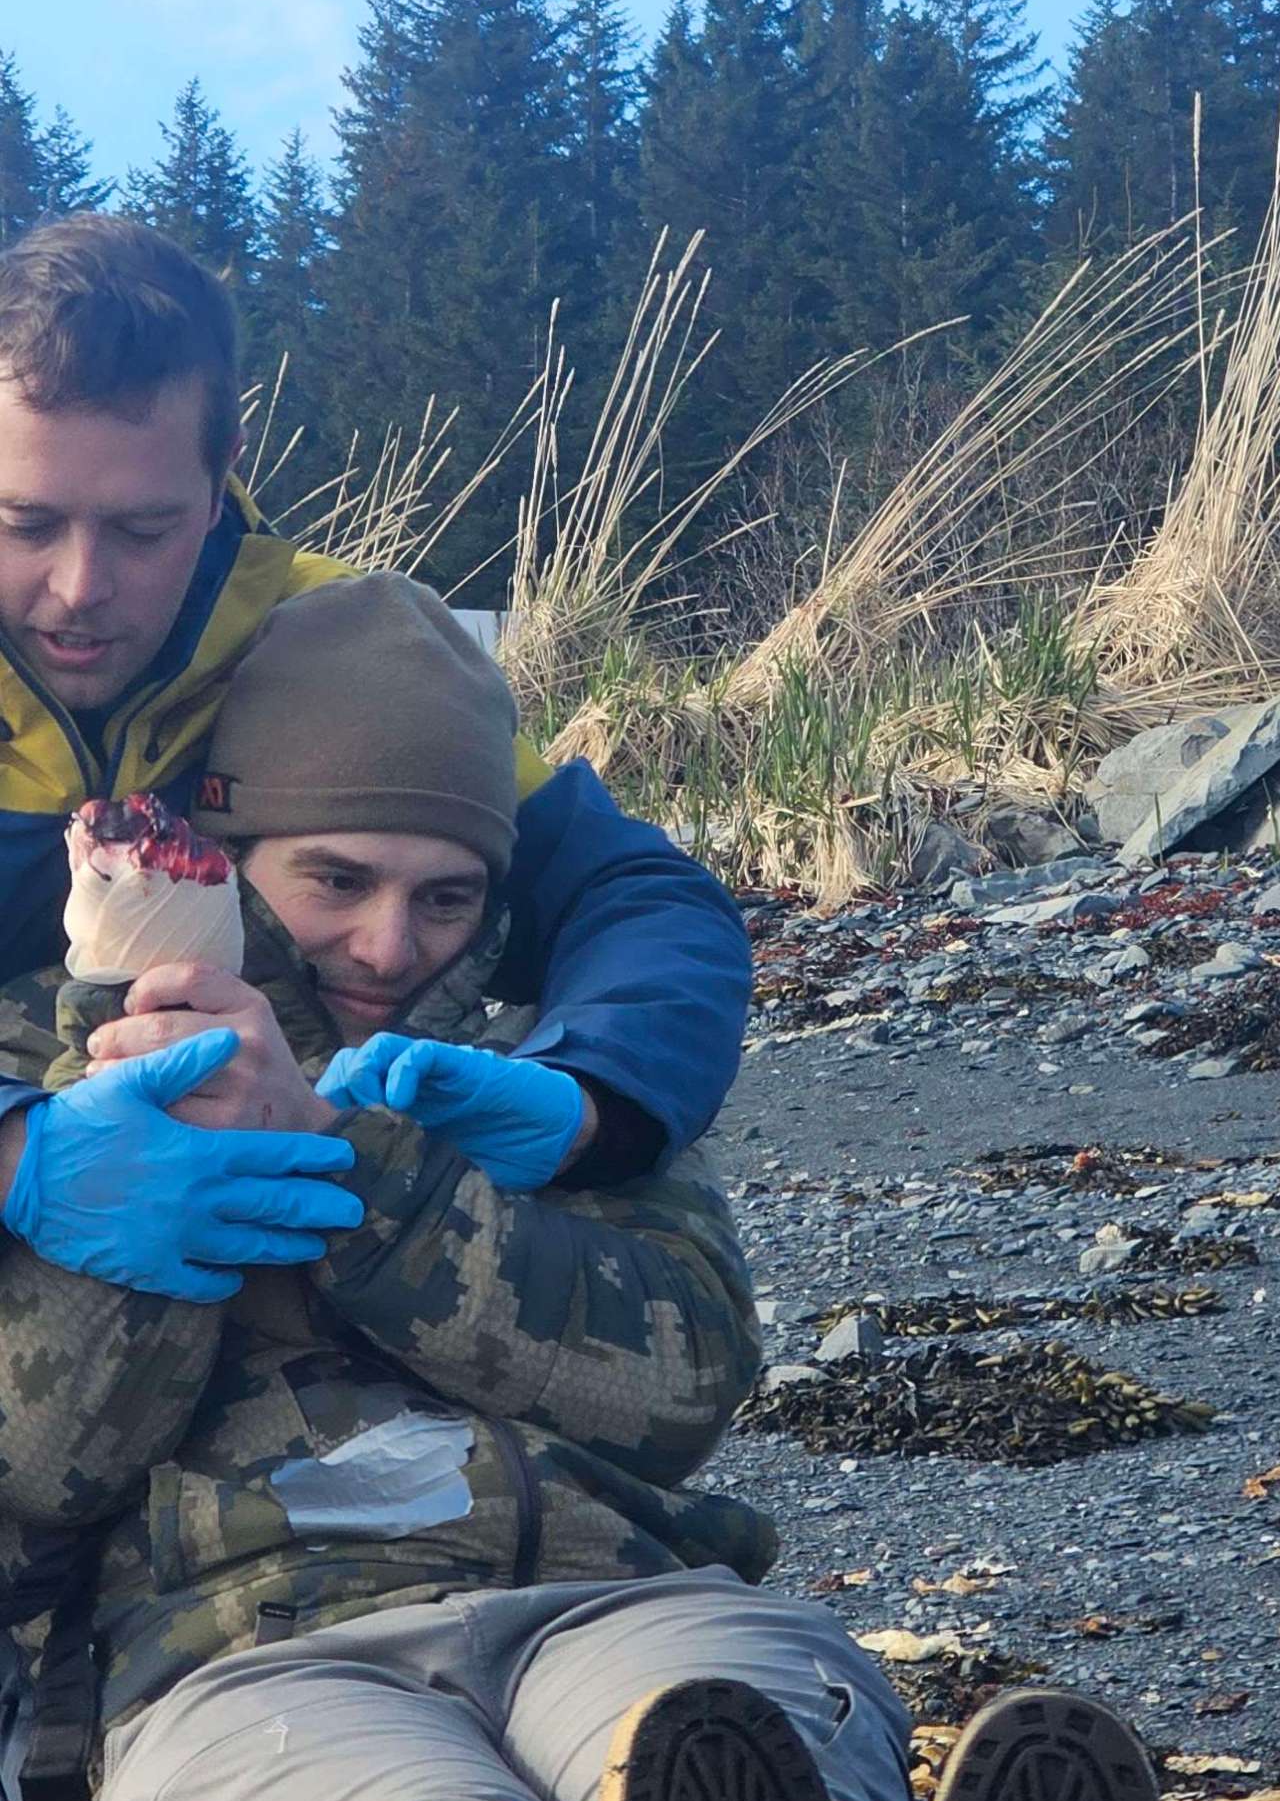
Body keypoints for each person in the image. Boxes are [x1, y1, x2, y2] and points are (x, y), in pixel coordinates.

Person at [0, 574, 1172, 1801]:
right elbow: (44, 1461)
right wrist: (142, 1108)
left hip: (618, 1594)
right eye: (336, 882)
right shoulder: (46, 1089)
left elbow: (681, 1389)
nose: (390, 946)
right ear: (229, 869)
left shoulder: (553, 1081)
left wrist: (362, 1171)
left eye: (445, 899)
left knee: (741, 1743)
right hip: (247, 1655)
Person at [0, 212, 755, 1297]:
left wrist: (592, 1095)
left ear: (222, 480)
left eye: (142, 529)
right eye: (26, 523)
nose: (79, 587)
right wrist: (19, 1156)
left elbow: (638, 893)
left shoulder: (334, 645)